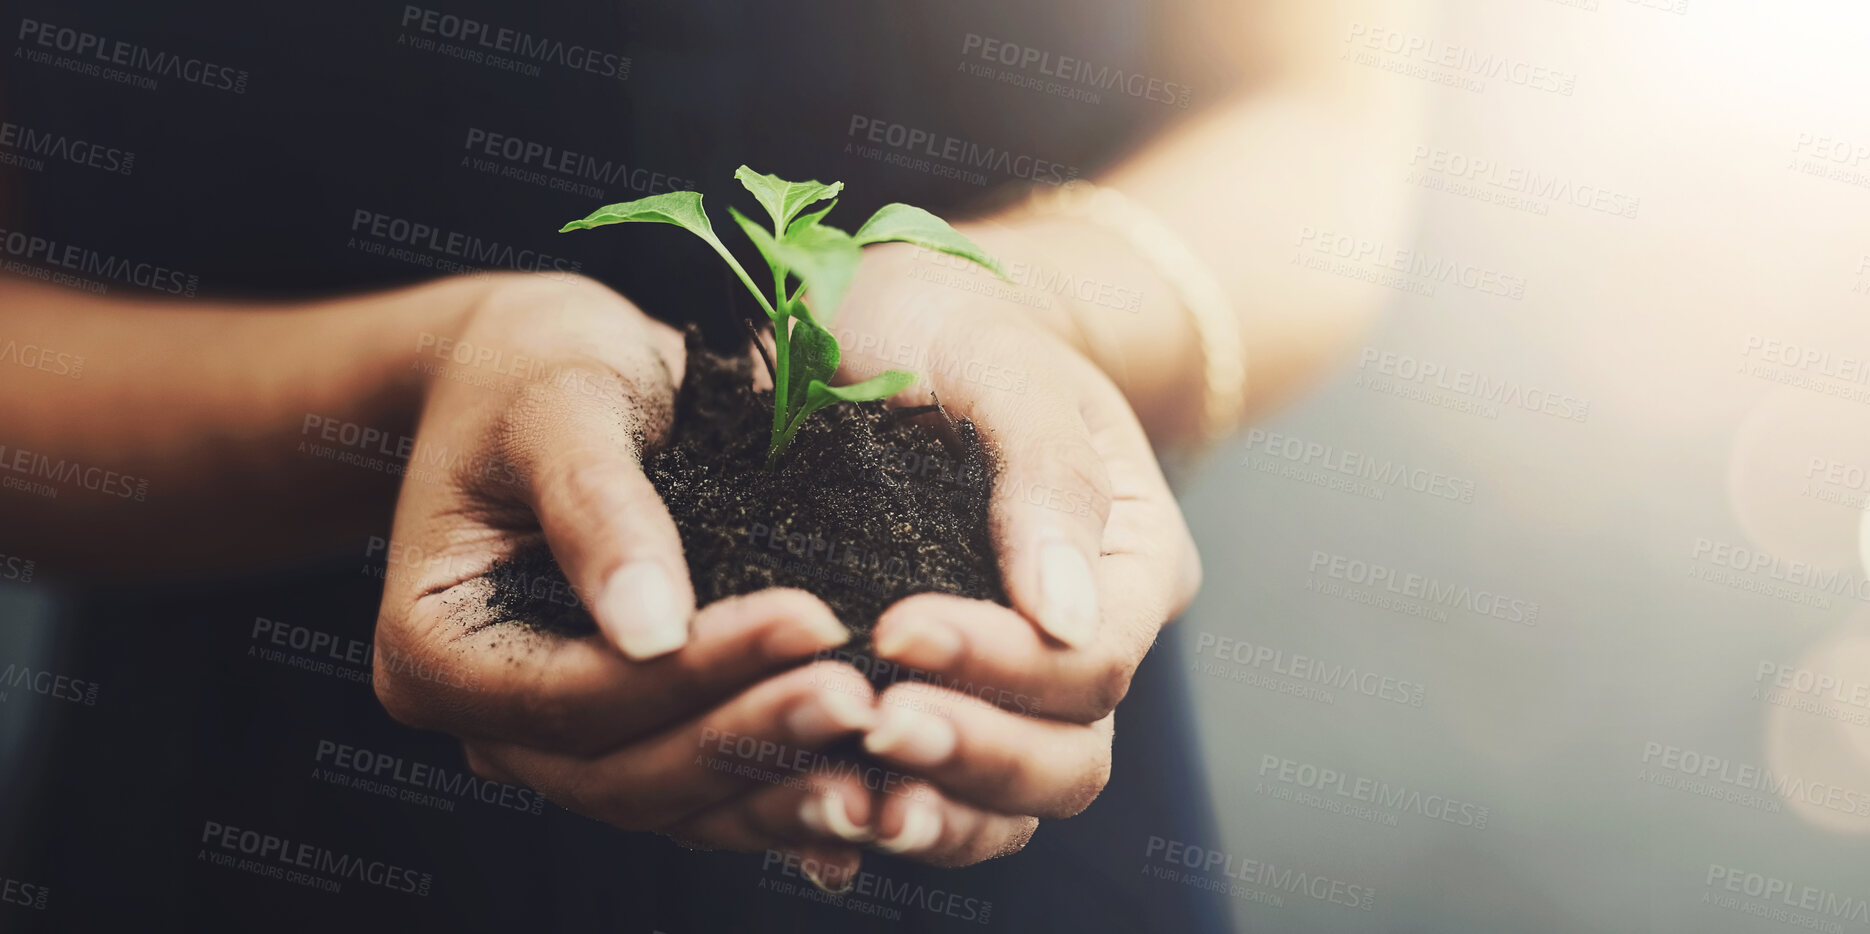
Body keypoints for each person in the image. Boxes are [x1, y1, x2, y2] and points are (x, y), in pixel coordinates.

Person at [0, 0, 1426, 927]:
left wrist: (1045, 304)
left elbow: (1321, 107)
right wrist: (404, 383)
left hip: (986, 711)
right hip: (268, 795)